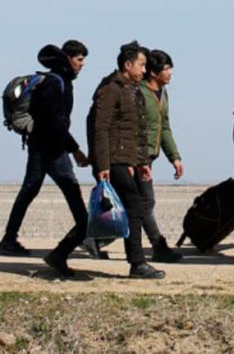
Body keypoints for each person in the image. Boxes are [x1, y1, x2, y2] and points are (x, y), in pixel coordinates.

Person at [6, 41, 94, 275]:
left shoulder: (59, 82)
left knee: (29, 190)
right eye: (79, 59)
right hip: (50, 149)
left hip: (46, 147)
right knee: (72, 195)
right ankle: (71, 244)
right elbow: (55, 122)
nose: (82, 64)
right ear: (67, 58)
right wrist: (74, 149)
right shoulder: (55, 84)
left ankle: (9, 238)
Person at [87, 41, 164, 279]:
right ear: (127, 65)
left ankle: (62, 252)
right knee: (134, 206)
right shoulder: (111, 89)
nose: (144, 70)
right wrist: (102, 165)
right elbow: (100, 128)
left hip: (125, 158)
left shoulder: (133, 90)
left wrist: (141, 163)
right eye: (141, 65)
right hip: (113, 159)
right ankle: (137, 263)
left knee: (123, 207)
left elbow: (137, 131)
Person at [138, 49, 184, 263]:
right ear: (154, 72)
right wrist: (139, 160)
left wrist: (174, 157)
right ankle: (158, 246)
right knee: (145, 202)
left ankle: (93, 239)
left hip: (149, 157)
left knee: (133, 203)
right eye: (166, 69)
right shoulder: (139, 92)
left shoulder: (163, 93)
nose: (170, 73)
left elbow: (164, 127)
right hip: (136, 157)